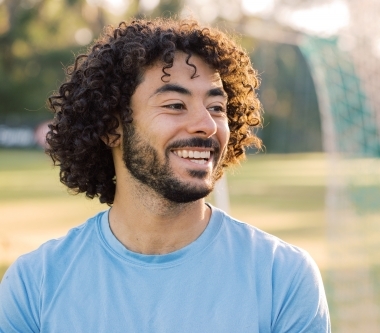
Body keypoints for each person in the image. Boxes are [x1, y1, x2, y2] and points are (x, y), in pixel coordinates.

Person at [0, 18, 330, 332]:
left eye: (217, 107)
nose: (207, 124)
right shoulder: (36, 283)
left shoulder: (282, 276)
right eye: (175, 105)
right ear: (112, 127)